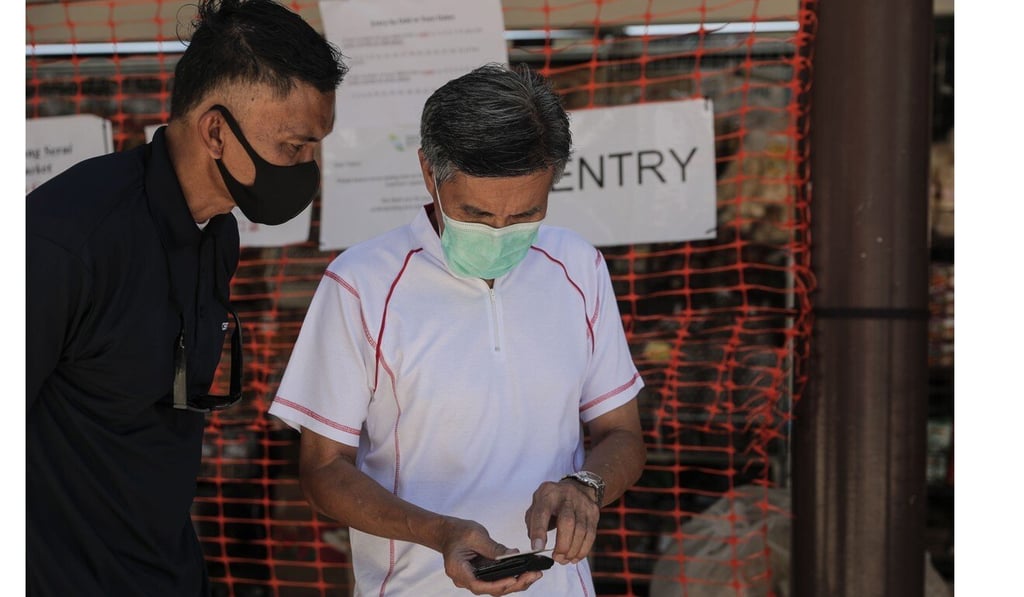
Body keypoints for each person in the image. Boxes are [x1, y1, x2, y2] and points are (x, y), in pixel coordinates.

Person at [268, 63, 648, 596]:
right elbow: (323, 469)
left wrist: (585, 486)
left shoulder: (578, 267)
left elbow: (623, 433)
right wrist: (438, 532)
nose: (499, 233)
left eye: (524, 216)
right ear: (429, 173)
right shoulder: (362, 283)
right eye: (475, 214)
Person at [25, 1, 347, 595]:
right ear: (217, 131)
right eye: (294, 147)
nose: (308, 167)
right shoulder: (66, 241)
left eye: (315, 147)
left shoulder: (216, 231)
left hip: (168, 568)